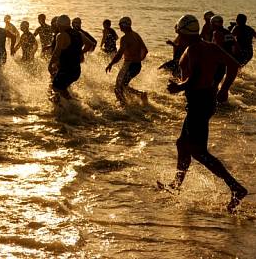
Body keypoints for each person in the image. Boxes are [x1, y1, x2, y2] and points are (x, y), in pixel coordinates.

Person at [162, 14, 247, 212]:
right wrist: (224, 88)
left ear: (183, 33)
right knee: (182, 144)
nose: (177, 36)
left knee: (198, 151)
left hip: (200, 102)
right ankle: (176, 185)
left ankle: (236, 188)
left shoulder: (194, 50)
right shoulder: (210, 46)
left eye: (178, 33)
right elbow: (233, 65)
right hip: (205, 99)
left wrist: (178, 88)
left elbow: (195, 77)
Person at [105, 17, 149, 105]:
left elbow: (119, 54)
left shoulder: (125, 38)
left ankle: (124, 105)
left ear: (124, 25)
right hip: (137, 65)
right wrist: (139, 59)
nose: (119, 27)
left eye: (120, 25)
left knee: (118, 87)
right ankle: (139, 95)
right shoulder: (136, 35)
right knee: (123, 85)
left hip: (129, 65)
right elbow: (145, 50)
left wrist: (111, 64)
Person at [48, 14, 85, 102]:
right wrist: (80, 53)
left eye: (58, 25)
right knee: (61, 88)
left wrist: (50, 65)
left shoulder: (61, 35)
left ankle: (75, 105)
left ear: (60, 25)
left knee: (55, 87)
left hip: (66, 69)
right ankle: (67, 105)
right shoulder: (78, 34)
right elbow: (90, 44)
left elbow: (56, 53)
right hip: (76, 70)